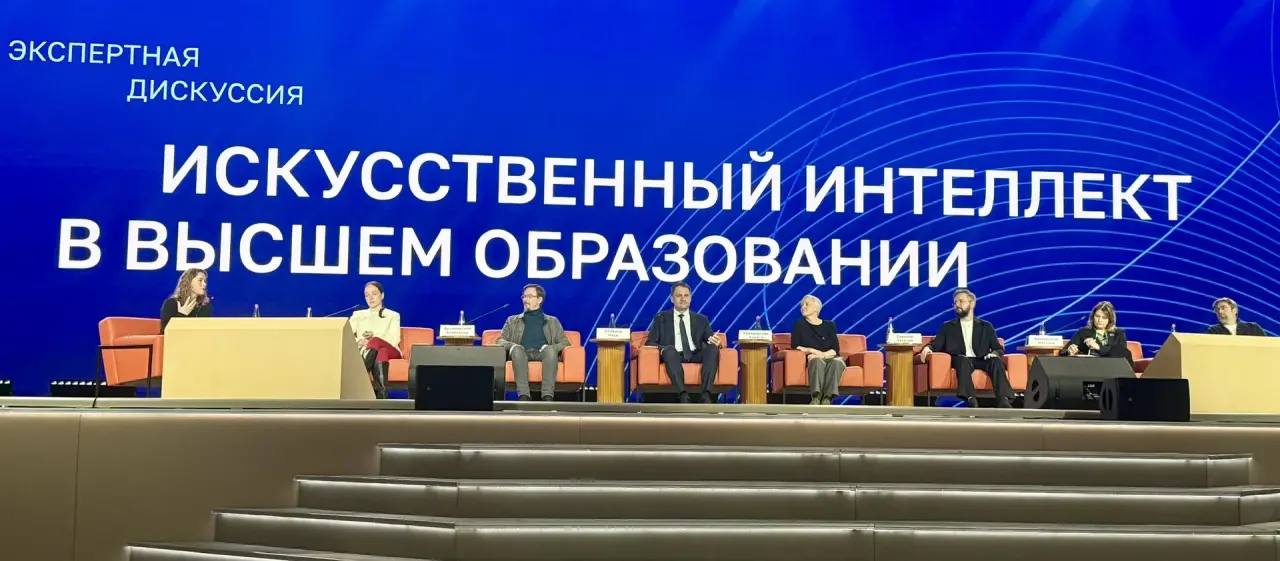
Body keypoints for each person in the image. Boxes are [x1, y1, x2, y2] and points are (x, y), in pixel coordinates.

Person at [919, 288, 1014, 408]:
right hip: (961, 360)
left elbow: (998, 348)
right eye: (955, 302)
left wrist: (994, 354)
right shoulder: (948, 326)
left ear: (972, 303)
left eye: (961, 301)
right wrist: (928, 348)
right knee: (962, 360)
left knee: (996, 361)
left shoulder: (986, 326)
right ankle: (971, 399)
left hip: (981, 359)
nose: (957, 305)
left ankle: (1003, 400)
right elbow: (936, 344)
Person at [643, 281, 722, 403]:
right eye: (679, 295)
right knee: (669, 351)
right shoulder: (661, 318)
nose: (683, 299)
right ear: (672, 299)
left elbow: (710, 338)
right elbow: (650, 342)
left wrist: (716, 341)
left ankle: (706, 394)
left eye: (686, 295)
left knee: (712, 349)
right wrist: (663, 349)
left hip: (695, 354)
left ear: (690, 298)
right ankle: (683, 394)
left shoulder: (701, 319)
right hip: (674, 355)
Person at [495, 284, 572, 401]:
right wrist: (514, 345)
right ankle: (524, 395)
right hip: (521, 354)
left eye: (530, 296)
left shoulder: (552, 321)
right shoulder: (512, 320)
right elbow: (500, 340)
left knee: (550, 350)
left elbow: (565, 343)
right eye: (524, 296)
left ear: (539, 300)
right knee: (517, 350)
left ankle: (547, 396)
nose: (525, 300)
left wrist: (550, 348)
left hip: (543, 354)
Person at [349, 281, 401, 399]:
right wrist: (359, 341)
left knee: (377, 341)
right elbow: (348, 335)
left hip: (392, 350)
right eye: (367, 295)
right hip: (375, 351)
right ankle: (382, 395)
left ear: (382, 295)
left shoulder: (393, 315)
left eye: (374, 294)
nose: (370, 298)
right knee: (381, 351)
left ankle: (359, 376)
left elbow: (394, 339)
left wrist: (372, 341)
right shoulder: (358, 315)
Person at [791, 295, 843, 405]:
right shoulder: (799, 325)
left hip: (829, 357)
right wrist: (813, 351)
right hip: (812, 358)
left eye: (806, 304)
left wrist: (822, 355)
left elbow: (835, 349)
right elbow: (795, 346)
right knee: (816, 361)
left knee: (837, 362)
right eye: (802, 305)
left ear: (816, 308)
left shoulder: (829, 325)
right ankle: (816, 397)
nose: (803, 307)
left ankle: (827, 398)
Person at [1062, 301, 1132, 366]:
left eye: (1104, 317)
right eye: (1097, 316)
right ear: (1093, 317)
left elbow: (1121, 353)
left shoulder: (1118, 333)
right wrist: (1070, 351)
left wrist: (1098, 347)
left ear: (1110, 320)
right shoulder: (1083, 332)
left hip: (1114, 366)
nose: (1100, 320)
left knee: (1122, 351)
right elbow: (1064, 351)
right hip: (1092, 366)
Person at [160, 269, 212, 333]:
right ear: (189, 282)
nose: (204, 284)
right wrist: (182, 314)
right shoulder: (172, 303)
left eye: (205, 281)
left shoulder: (205, 305)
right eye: (200, 280)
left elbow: (204, 332)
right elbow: (165, 332)